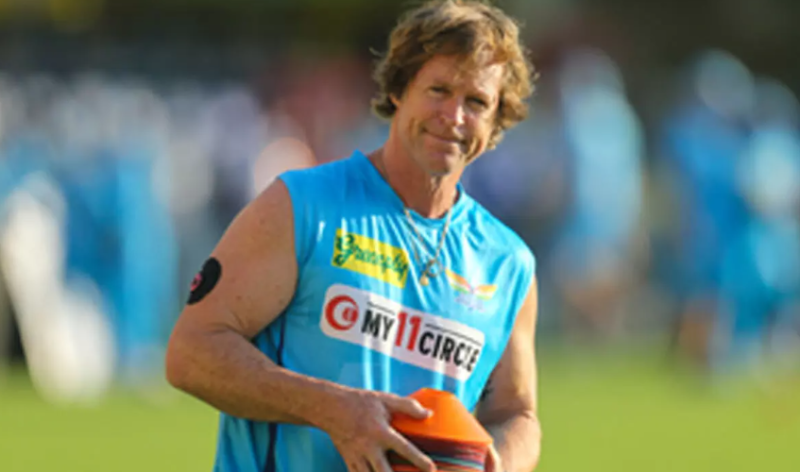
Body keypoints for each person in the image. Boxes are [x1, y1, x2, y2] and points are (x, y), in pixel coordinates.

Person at [165, 1, 541, 471]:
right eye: (439, 90)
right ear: (400, 89)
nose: (454, 116)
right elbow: (192, 352)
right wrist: (333, 410)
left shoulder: (508, 264)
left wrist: (499, 463)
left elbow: (516, 413)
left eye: (477, 102)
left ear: (497, 118)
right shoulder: (303, 206)